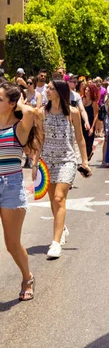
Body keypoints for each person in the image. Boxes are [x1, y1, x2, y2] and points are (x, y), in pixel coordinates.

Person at [34, 80, 91, 259]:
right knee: (53, 201)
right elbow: (39, 140)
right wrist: (35, 163)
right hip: (47, 161)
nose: (47, 91)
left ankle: (56, 243)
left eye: (50, 88)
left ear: (59, 91)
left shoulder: (72, 112)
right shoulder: (41, 112)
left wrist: (85, 162)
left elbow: (80, 139)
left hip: (67, 160)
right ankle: (62, 229)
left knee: (59, 198)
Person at [0, 83, 40, 300]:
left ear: (11, 103)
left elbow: (32, 113)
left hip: (11, 186)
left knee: (11, 244)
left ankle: (27, 277)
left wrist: (21, 104)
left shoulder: (19, 128)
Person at [81, 83, 99, 160]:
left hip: (90, 123)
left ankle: (87, 157)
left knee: (89, 142)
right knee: (82, 141)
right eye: (85, 90)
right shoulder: (81, 99)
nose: (86, 92)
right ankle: (84, 158)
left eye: (88, 90)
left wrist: (92, 127)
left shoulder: (93, 102)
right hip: (81, 123)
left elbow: (96, 115)